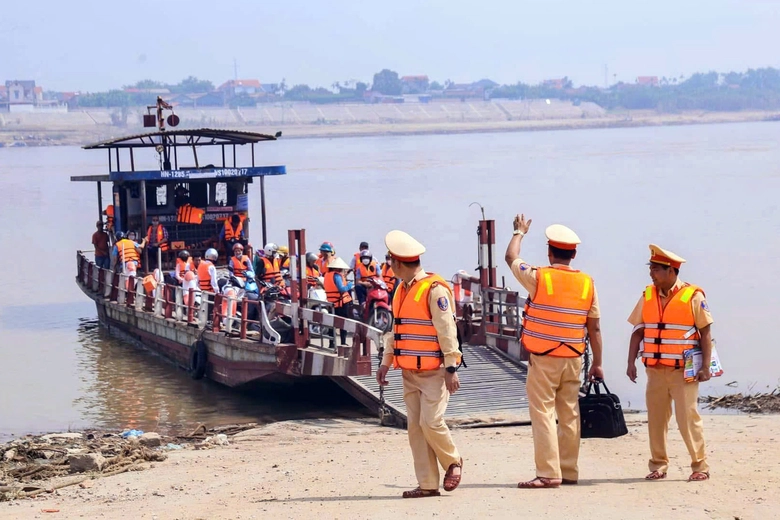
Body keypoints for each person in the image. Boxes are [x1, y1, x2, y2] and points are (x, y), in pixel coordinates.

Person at [505, 215, 603, 489]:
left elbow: (510, 256)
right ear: (574, 254)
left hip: (544, 356)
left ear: (550, 252)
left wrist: (519, 231)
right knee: (570, 413)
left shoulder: (539, 277)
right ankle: (569, 470)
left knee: (543, 412)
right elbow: (594, 329)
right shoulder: (587, 283)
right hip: (574, 357)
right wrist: (598, 363)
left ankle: (548, 473)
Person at [376, 230, 463, 499]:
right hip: (409, 372)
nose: (389, 265)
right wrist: (385, 362)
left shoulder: (435, 289)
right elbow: (395, 330)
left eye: (390, 261)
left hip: (434, 371)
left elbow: (447, 329)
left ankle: (453, 461)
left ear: (398, 263)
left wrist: (451, 367)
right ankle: (427, 484)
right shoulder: (401, 290)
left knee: (431, 422)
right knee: (415, 427)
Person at [626, 244, 713, 483]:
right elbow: (638, 331)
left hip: (682, 371)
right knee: (656, 420)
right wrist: (630, 362)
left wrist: (706, 367)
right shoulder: (648, 295)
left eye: (655, 269)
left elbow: (705, 333)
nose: (651, 274)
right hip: (654, 370)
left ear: (671, 271)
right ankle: (658, 465)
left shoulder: (693, 296)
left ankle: (699, 466)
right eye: (651, 269)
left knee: (688, 419)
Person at [323, 257, 354, 346]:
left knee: (332, 323)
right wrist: (349, 285)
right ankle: (343, 342)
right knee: (343, 323)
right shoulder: (337, 276)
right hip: (341, 303)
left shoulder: (327, 275)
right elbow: (341, 289)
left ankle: (331, 343)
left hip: (331, 303)